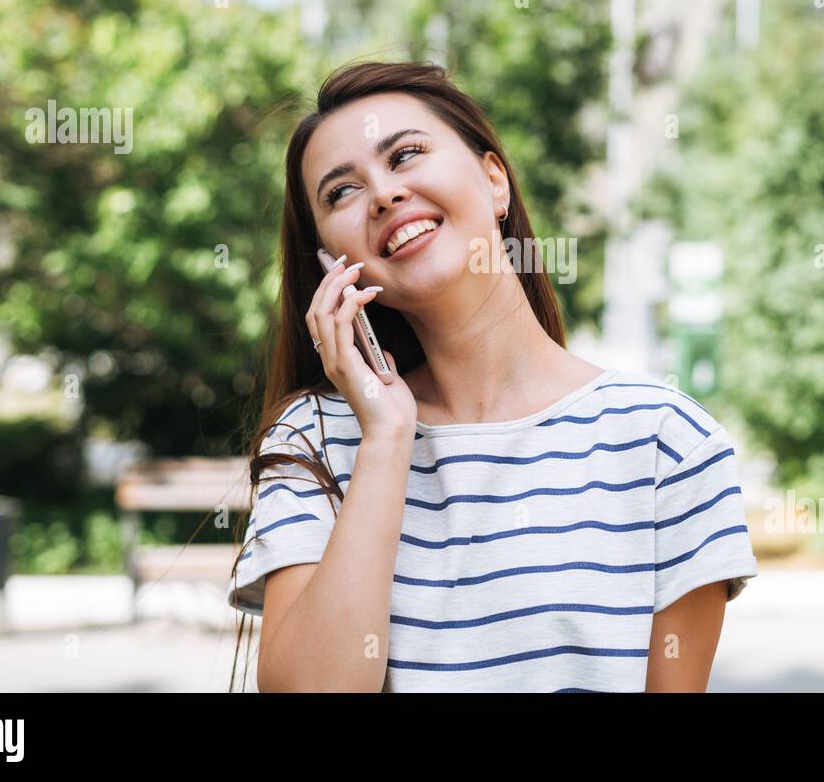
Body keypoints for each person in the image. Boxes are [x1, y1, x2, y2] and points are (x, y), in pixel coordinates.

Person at [227, 60, 758, 692]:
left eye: (406, 156)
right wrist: (387, 438)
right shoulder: (314, 438)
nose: (384, 195)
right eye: (341, 193)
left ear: (493, 180)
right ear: (332, 263)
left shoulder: (665, 440)